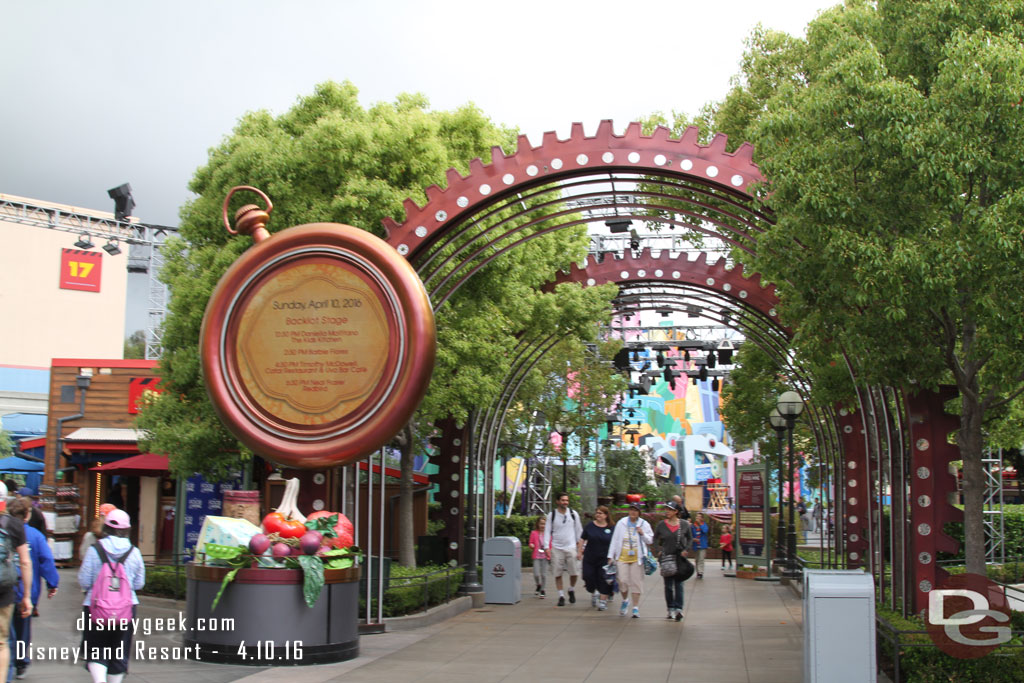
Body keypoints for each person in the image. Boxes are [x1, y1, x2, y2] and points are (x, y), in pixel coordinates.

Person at [78, 509, 145, 683]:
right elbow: (139, 583)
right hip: (126, 609)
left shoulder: (95, 550)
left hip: (96, 608)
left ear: (106, 527)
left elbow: (84, 580)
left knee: (96, 648)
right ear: (127, 529)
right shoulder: (134, 552)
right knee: (120, 649)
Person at [7, 498, 58, 679]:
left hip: (4, 588)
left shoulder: (3, 531)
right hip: (26, 590)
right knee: (22, 629)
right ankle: (20, 662)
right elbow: (46, 560)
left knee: (5, 628)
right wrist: (52, 582)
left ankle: (8, 662)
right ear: (27, 516)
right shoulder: (36, 536)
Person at [0, 496, 32, 682]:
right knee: (2, 643)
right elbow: (25, 562)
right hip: (4, 590)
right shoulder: (14, 525)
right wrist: (26, 596)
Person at [608, 502, 653, 618]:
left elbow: (650, 540)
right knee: (622, 581)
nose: (633, 512)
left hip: (636, 558)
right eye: (631, 510)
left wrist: (642, 533)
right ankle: (625, 600)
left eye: (635, 510)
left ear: (639, 512)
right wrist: (610, 556)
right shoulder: (621, 523)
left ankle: (635, 607)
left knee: (636, 582)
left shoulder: (644, 524)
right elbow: (615, 540)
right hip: (622, 556)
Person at [653, 501, 691, 621]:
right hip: (666, 558)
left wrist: (686, 549)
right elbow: (654, 538)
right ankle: (670, 608)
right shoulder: (661, 525)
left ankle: (679, 609)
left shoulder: (684, 524)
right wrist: (658, 550)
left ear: (676, 512)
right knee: (668, 585)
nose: (667, 511)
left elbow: (690, 538)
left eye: (670, 509)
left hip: (679, 558)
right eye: (666, 509)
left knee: (679, 584)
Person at [542, 493, 583, 607]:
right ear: (558, 501)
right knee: (557, 572)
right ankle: (561, 595)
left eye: (566, 500)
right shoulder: (552, 515)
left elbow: (579, 531)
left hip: (571, 547)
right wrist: (546, 547)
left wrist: (581, 548)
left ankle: (571, 589)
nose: (565, 502)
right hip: (557, 547)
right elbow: (547, 531)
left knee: (574, 572)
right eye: (563, 500)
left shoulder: (573, 514)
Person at [578, 506, 614, 610]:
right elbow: (582, 539)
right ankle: (593, 591)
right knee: (588, 576)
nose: (598, 515)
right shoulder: (590, 526)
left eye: (601, 513)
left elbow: (615, 541)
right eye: (597, 513)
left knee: (603, 579)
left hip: (604, 559)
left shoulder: (611, 527)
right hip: (590, 557)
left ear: (606, 515)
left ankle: (602, 601)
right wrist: (579, 551)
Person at [528, 516, 549, 598]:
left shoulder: (548, 534)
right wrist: (531, 545)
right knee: (536, 574)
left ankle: (543, 589)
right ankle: (538, 585)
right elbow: (530, 542)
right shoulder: (534, 533)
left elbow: (550, 545)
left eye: (544, 524)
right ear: (537, 524)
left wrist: (550, 551)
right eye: (541, 524)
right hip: (536, 555)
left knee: (544, 574)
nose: (542, 526)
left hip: (545, 556)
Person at [691, 512, 709, 579]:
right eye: (697, 516)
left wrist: (700, 525)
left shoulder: (704, 525)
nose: (697, 518)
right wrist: (693, 539)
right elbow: (691, 534)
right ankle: (698, 571)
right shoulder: (693, 526)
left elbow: (705, 531)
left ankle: (700, 572)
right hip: (696, 545)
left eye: (699, 517)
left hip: (702, 545)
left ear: (702, 518)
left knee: (701, 559)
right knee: (697, 559)